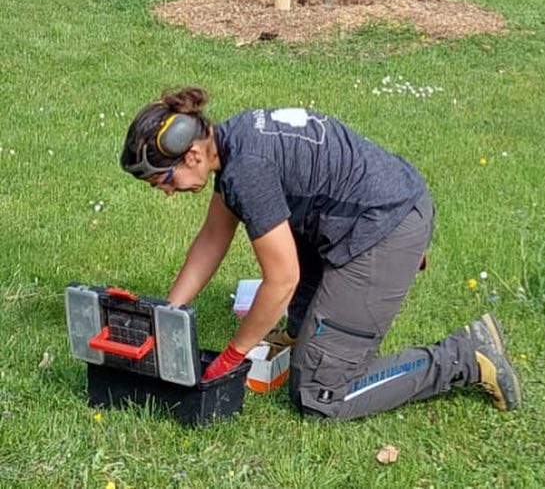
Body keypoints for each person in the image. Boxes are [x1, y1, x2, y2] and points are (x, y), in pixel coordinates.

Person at [120, 87, 521, 419]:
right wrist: (166, 315)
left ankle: (466, 356)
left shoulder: (247, 169)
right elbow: (212, 238)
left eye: (164, 182)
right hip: (374, 211)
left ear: (191, 155)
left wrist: (232, 356)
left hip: (384, 228)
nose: (168, 192)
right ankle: (306, 335)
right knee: (292, 256)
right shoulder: (233, 140)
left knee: (320, 395)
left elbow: (282, 279)